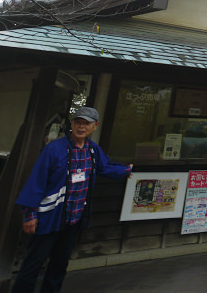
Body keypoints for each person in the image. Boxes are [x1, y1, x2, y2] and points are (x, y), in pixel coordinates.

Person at [12, 106, 132, 293]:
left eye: (86, 123)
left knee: (59, 264)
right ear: (72, 124)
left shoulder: (93, 150)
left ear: (95, 126)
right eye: (78, 122)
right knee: (33, 264)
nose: (81, 127)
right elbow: (37, 181)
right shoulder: (54, 149)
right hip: (49, 216)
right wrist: (29, 214)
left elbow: (105, 167)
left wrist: (125, 171)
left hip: (74, 218)